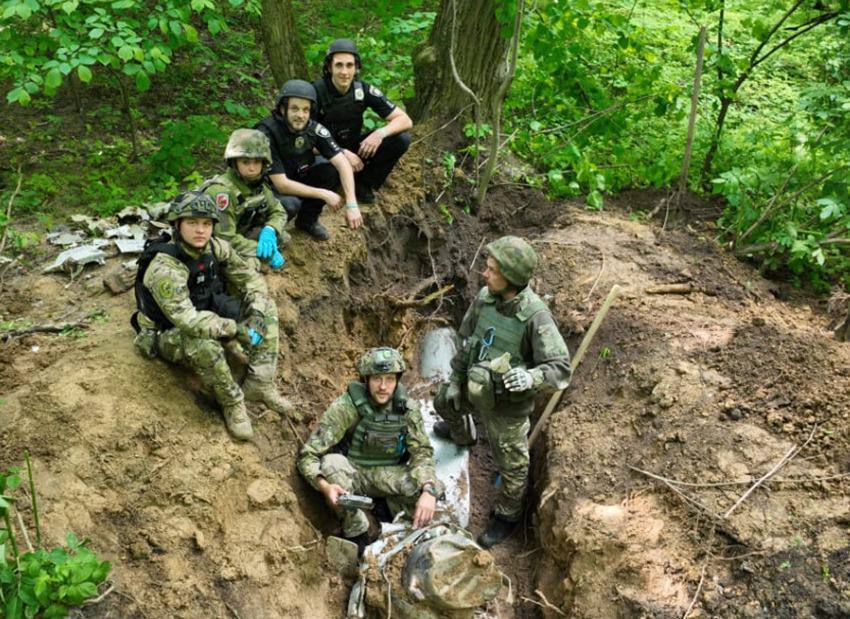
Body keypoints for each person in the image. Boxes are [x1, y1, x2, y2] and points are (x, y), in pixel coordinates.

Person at [433, 236, 571, 548]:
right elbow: (467, 343)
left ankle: (507, 515)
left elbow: (561, 368)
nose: (485, 274)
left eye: (493, 270)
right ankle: (463, 434)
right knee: (443, 400)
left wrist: (530, 377)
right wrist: (456, 380)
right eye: (487, 267)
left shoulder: (535, 316)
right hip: (474, 383)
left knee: (513, 465)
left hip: (507, 407)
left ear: (511, 277)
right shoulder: (484, 299)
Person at [131, 191, 295, 441]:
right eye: (192, 223)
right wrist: (235, 329)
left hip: (209, 310)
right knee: (204, 345)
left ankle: (259, 383)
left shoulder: (215, 247)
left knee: (267, 310)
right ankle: (232, 402)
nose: (200, 230)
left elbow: (250, 278)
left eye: (206, 224)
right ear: (178, 225)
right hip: (168, 332)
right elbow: (188, 320)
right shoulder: (165, 266)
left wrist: (257, 310)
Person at [298, 347, 444, 551]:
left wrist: (428, 490)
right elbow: (309, 455)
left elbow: (422, 453)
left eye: (390, 379)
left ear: (397, 380)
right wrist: (325, 486)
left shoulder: (407, 409)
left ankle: (391, 513)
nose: (383, 387)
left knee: (430, 490)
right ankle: (357, 531)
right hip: (352, 475)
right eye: (377, 379)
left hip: (387, 476)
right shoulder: (346, 406)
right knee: (330, 463)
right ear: (366, 379)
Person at [255, 79, 362, 242]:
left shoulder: (314, 129)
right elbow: (282, 184)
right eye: (295, 109)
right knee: (291, 204)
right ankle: (261, 231)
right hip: (268, 188)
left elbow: (342, 163)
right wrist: (323, 193)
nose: (301, 115)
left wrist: (352, 203)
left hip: (297, 174)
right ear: (282, 108)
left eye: (306, 110)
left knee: (330, 171)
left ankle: (307, 221)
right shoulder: (266, 132)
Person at [313, 38, 412, 205]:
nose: (344, 72)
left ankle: (364, 183)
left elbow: (405, 120)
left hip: (355, 149)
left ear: (357, 67)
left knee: (402, 139)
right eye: (339, 65)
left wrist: (380, 134)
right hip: (325, 153)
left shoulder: (363, 90)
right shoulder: (315, 92)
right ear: (329, 67)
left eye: (350, 65)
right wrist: (340, 153)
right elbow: (304, 141)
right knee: (326, 170)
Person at [201, 128, 288, 272]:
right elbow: (225, 237)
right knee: (250, 265)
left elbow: (278, 211)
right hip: (211, 241)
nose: (252, 168)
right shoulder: (221, 193)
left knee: (282, 237)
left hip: (240, 231)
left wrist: (270, 228)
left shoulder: (258, 185)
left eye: (257, 162)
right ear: (234, 163)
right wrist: (257, 250)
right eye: (245, 162)